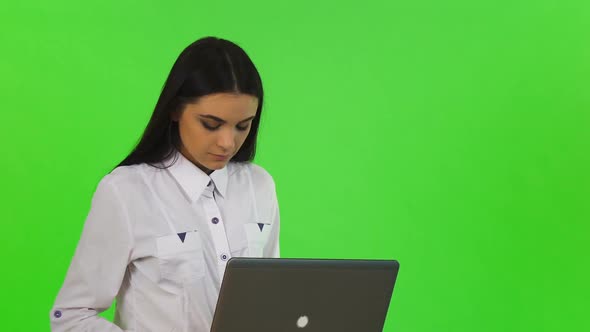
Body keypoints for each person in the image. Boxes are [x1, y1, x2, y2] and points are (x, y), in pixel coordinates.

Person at [50, 36, 280, 332]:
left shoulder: (260, 186)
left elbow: (272, 298)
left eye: (242, 126)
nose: (227, 142)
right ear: (175, 110)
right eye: (210, 124)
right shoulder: (125, 192)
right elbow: (71, 316)